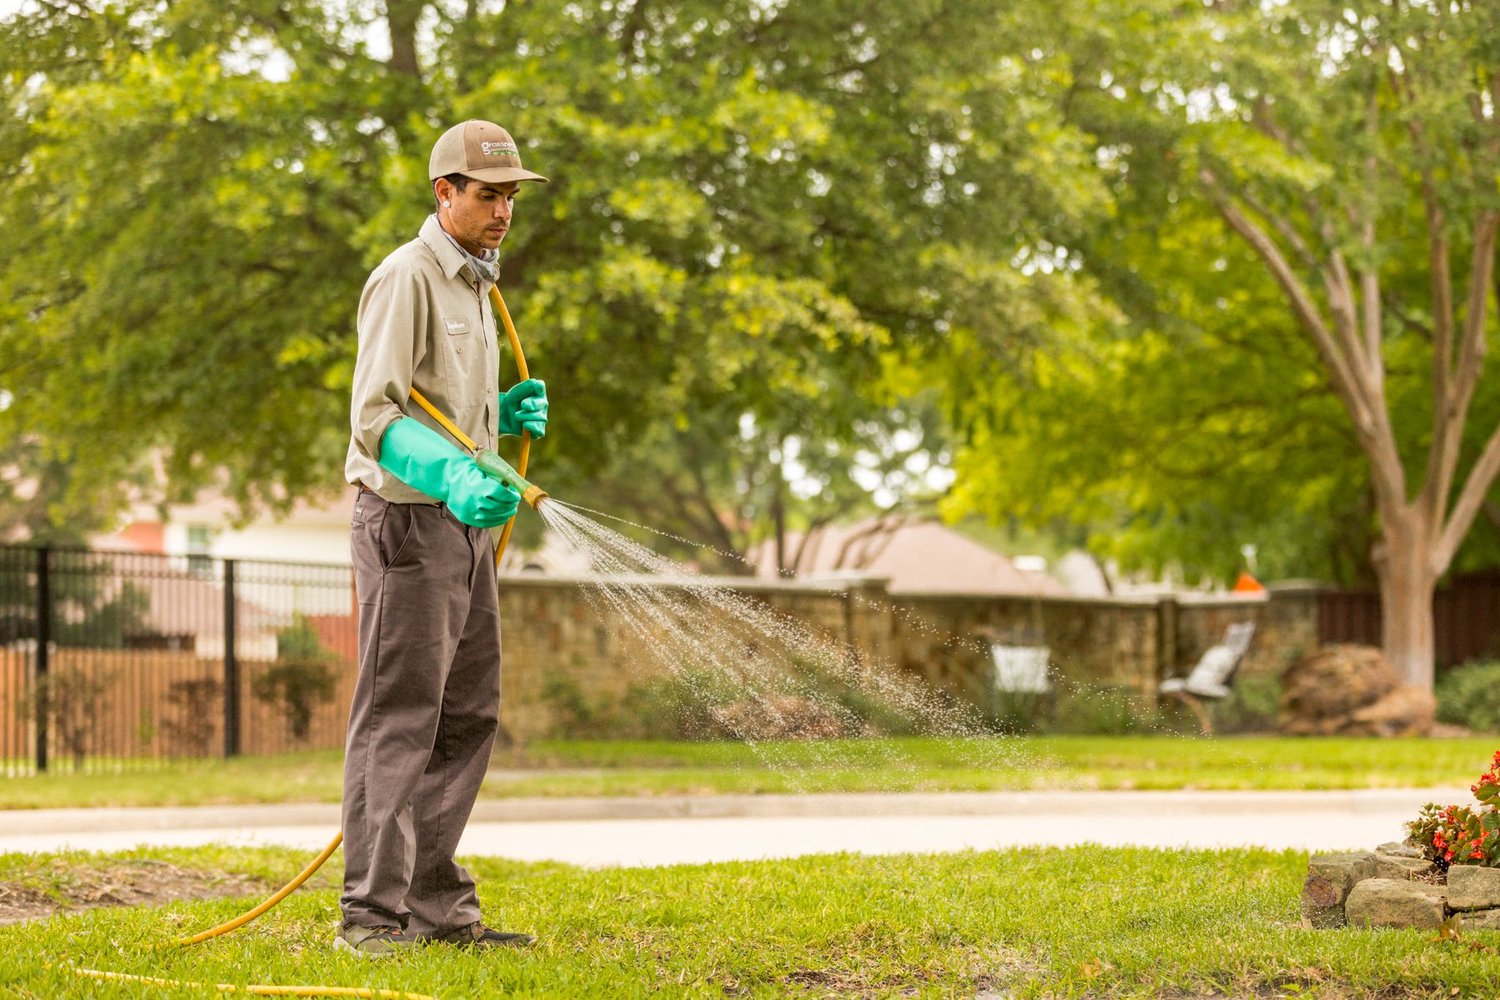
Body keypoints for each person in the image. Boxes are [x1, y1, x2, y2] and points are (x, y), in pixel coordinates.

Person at [338, 119, 550, 957]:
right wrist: (451, 476)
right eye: (488, 194)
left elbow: (448, 409)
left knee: (467, 713)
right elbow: (378, 415)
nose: (503, 210)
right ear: (445, 193)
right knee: (400, 718)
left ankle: (434, 907)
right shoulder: (407, 277)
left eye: (510, 196)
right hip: (408, 526)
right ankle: (371, 916)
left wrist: (499, 430)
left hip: (463, 527)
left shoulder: (475, 285)